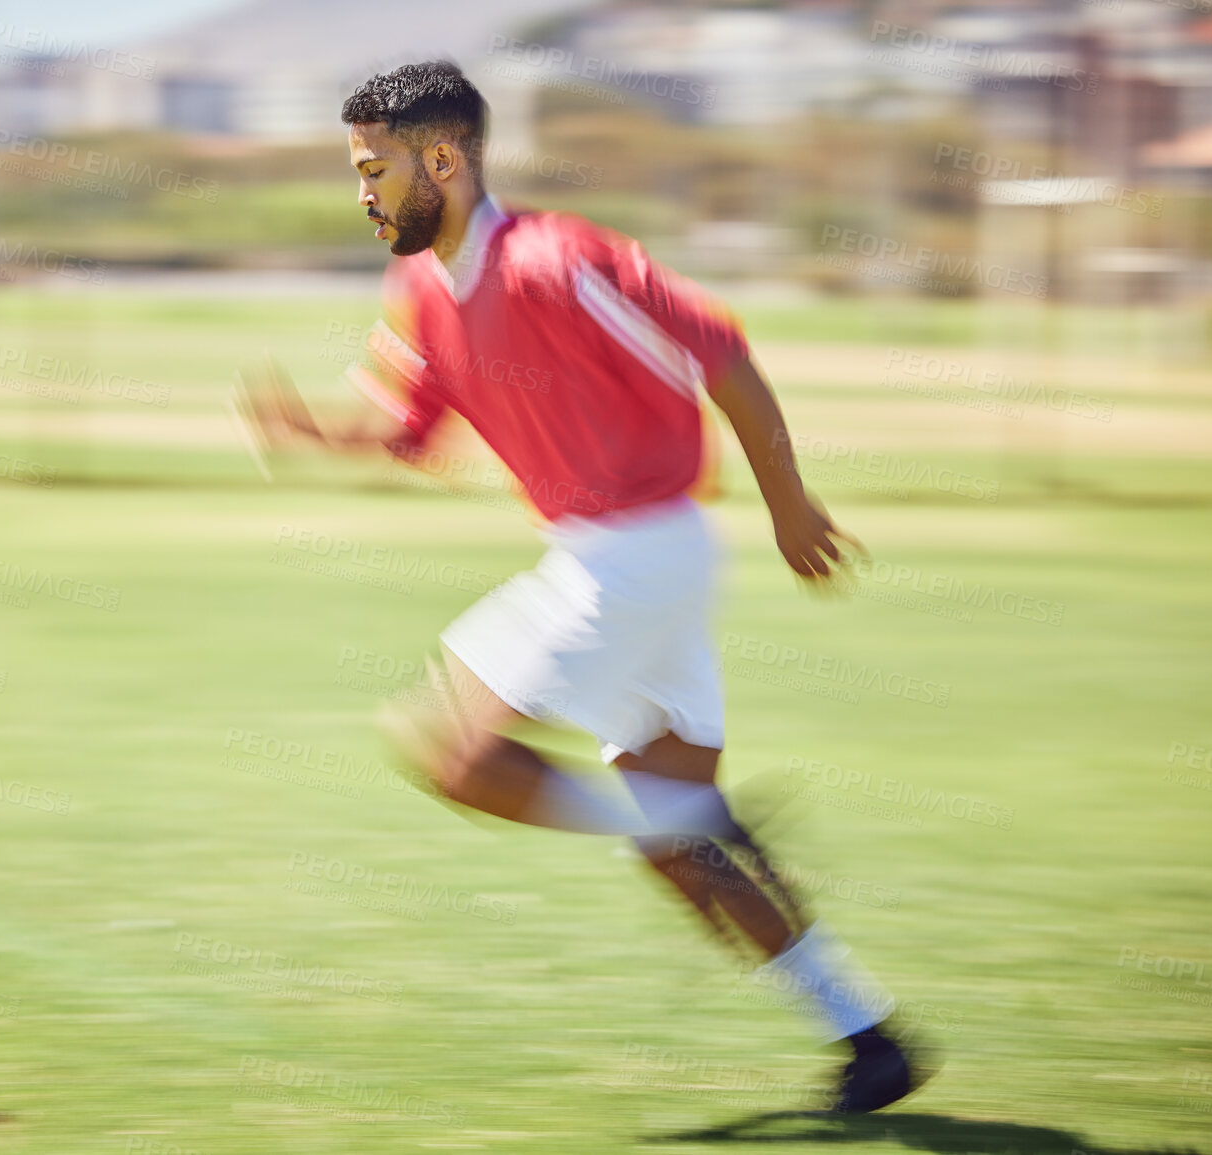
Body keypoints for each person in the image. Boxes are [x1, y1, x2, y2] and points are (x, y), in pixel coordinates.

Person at [243, 60, 921, 1113]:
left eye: (374, 170)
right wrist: (309, 426)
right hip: (624, 563)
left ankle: (674, 820)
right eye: (356, 173)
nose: (363, 194)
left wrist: (790, 500)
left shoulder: (561, 261)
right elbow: (413, 432)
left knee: (452, 753)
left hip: (637, 555)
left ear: (445, 158)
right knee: (686, 850)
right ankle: (869, 1036)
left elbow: (723, 353)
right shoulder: (422, 285)